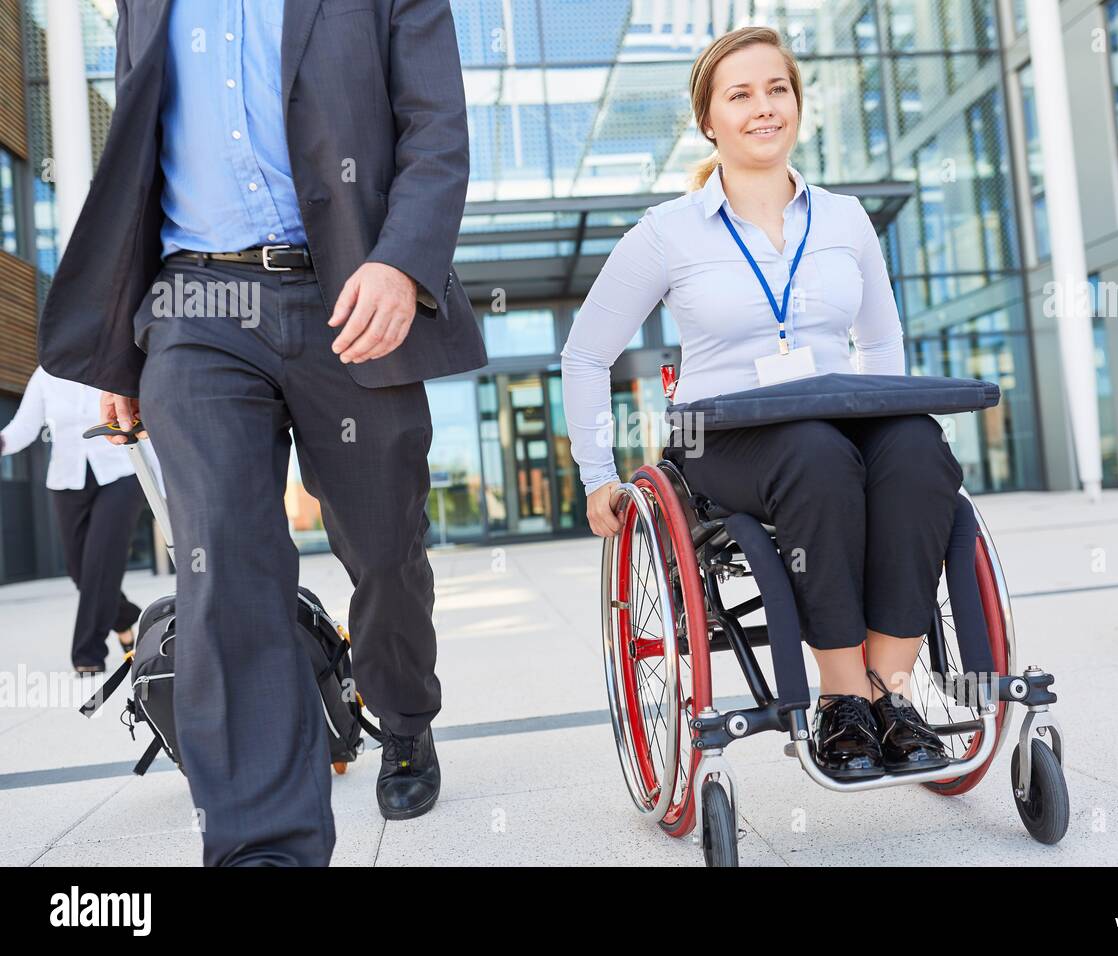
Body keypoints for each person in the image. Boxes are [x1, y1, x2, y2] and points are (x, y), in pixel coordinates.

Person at [37, 0, 486, 865]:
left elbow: (436, 126)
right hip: (197, 304)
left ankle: (403, 717)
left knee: (385, 547)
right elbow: (134, 159)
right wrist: (124, 353)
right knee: (225, 567)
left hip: (352, 297)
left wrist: (401, 263)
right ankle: (265, 846)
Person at [561, 27, 964, 782]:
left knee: (917, 449)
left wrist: (889, 418)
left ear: (798, 104)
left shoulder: (844, 218)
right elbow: (586, 354)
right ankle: (842, 700)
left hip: (840, 421)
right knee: (815, 454)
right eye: (740, 95)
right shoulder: (667, 232)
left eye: (776, 89)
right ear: (709, 120)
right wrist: (595, 476)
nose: (763, 107)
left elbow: (882, 345)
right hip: (728, 436)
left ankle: (892, 693)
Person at [0, 366, 156, 673]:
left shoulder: (113, 360)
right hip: (67, 479)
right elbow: (23, 428)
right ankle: (125, 619)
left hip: (121, 473)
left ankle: (88, 655)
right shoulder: (46, 375)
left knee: (100, 563)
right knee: (79, 572)